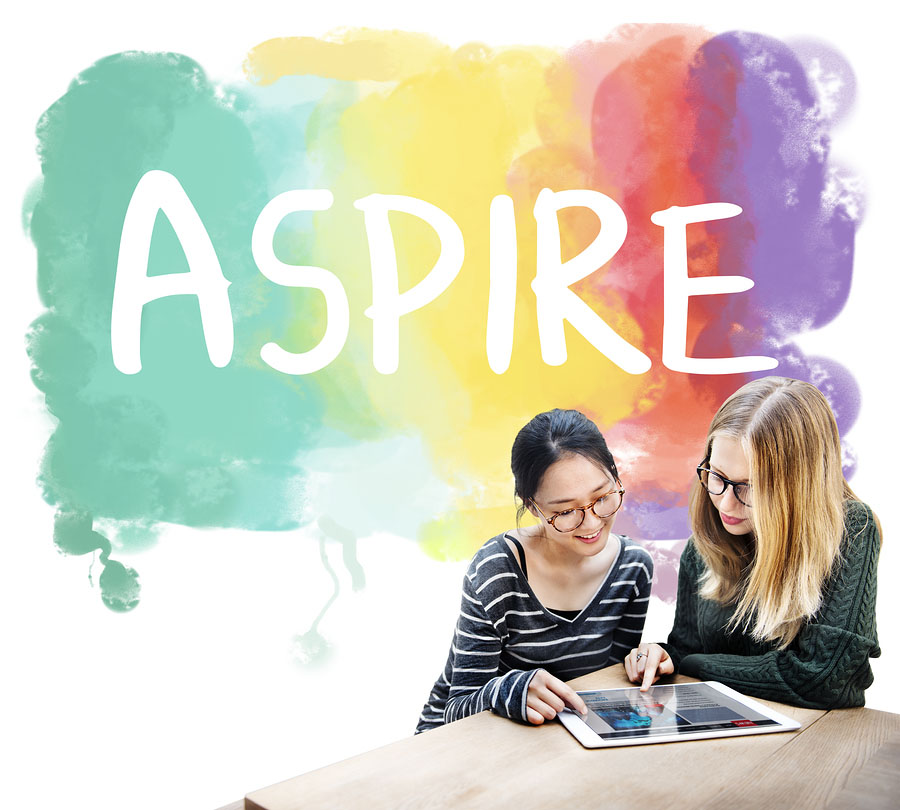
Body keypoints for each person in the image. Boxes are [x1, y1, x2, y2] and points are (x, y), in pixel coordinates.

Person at [625, 377, 881, 709]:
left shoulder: (851, 529)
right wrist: (662, 655)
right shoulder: (704, 545)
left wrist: (695, 666)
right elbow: (687, 649)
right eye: (717, 476)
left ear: (798, 489)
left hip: (812, 741)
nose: (726, 505)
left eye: (751, 487)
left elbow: (825, 680)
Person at [416, 409, 653, 733]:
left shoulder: (633, 569)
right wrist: (511, 690)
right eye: (566, 511)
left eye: (603, 496)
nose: (593, 522)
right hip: (456, 742)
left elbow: (610, 687)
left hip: (555, 740)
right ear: (532, 506)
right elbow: (457, 709)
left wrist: (647, 662)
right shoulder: (498, 572)